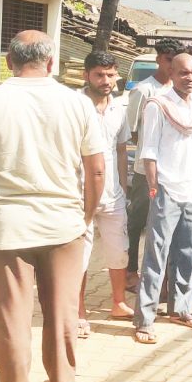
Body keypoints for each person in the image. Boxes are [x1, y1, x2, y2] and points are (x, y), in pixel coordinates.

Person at [0, 31, 105, 382]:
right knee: (61, 314)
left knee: (11, 321)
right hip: (63, 224)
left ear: (9, 61)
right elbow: (97, 169)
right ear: (51, 62)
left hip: (7, 228)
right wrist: (85, 215)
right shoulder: (77, 104)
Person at [134, 53, 192, 341]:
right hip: (167, 189)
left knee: (188, 254)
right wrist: (154, 188)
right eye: (183, 73)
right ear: (171, 73)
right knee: (156, 255)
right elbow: (149, 151)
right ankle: (144, 319)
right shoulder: (158, 105)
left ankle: (181, 309)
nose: (189, 78)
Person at [79, 52, 134, 330]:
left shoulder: (119, 108)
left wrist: (124, 187)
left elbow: (122, 149)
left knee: (118, 250)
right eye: (99, 74)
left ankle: (118, 302)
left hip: (113, 194)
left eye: (111, 75)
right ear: (86, 75)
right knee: (80, 255)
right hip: (78, 194)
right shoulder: (74, 105)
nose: (106, 80)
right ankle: (77, 313)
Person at [125, 39, 180, 289]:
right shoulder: (144, 90)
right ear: (158, 58)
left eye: (175, 58)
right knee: (137, 222)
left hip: (171, 174)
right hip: (143, 172)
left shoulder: (180, 90)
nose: (171, 64)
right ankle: (129, 271)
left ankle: (163, 277)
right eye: (168, 58)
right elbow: (134, 131)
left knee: (164, 225)